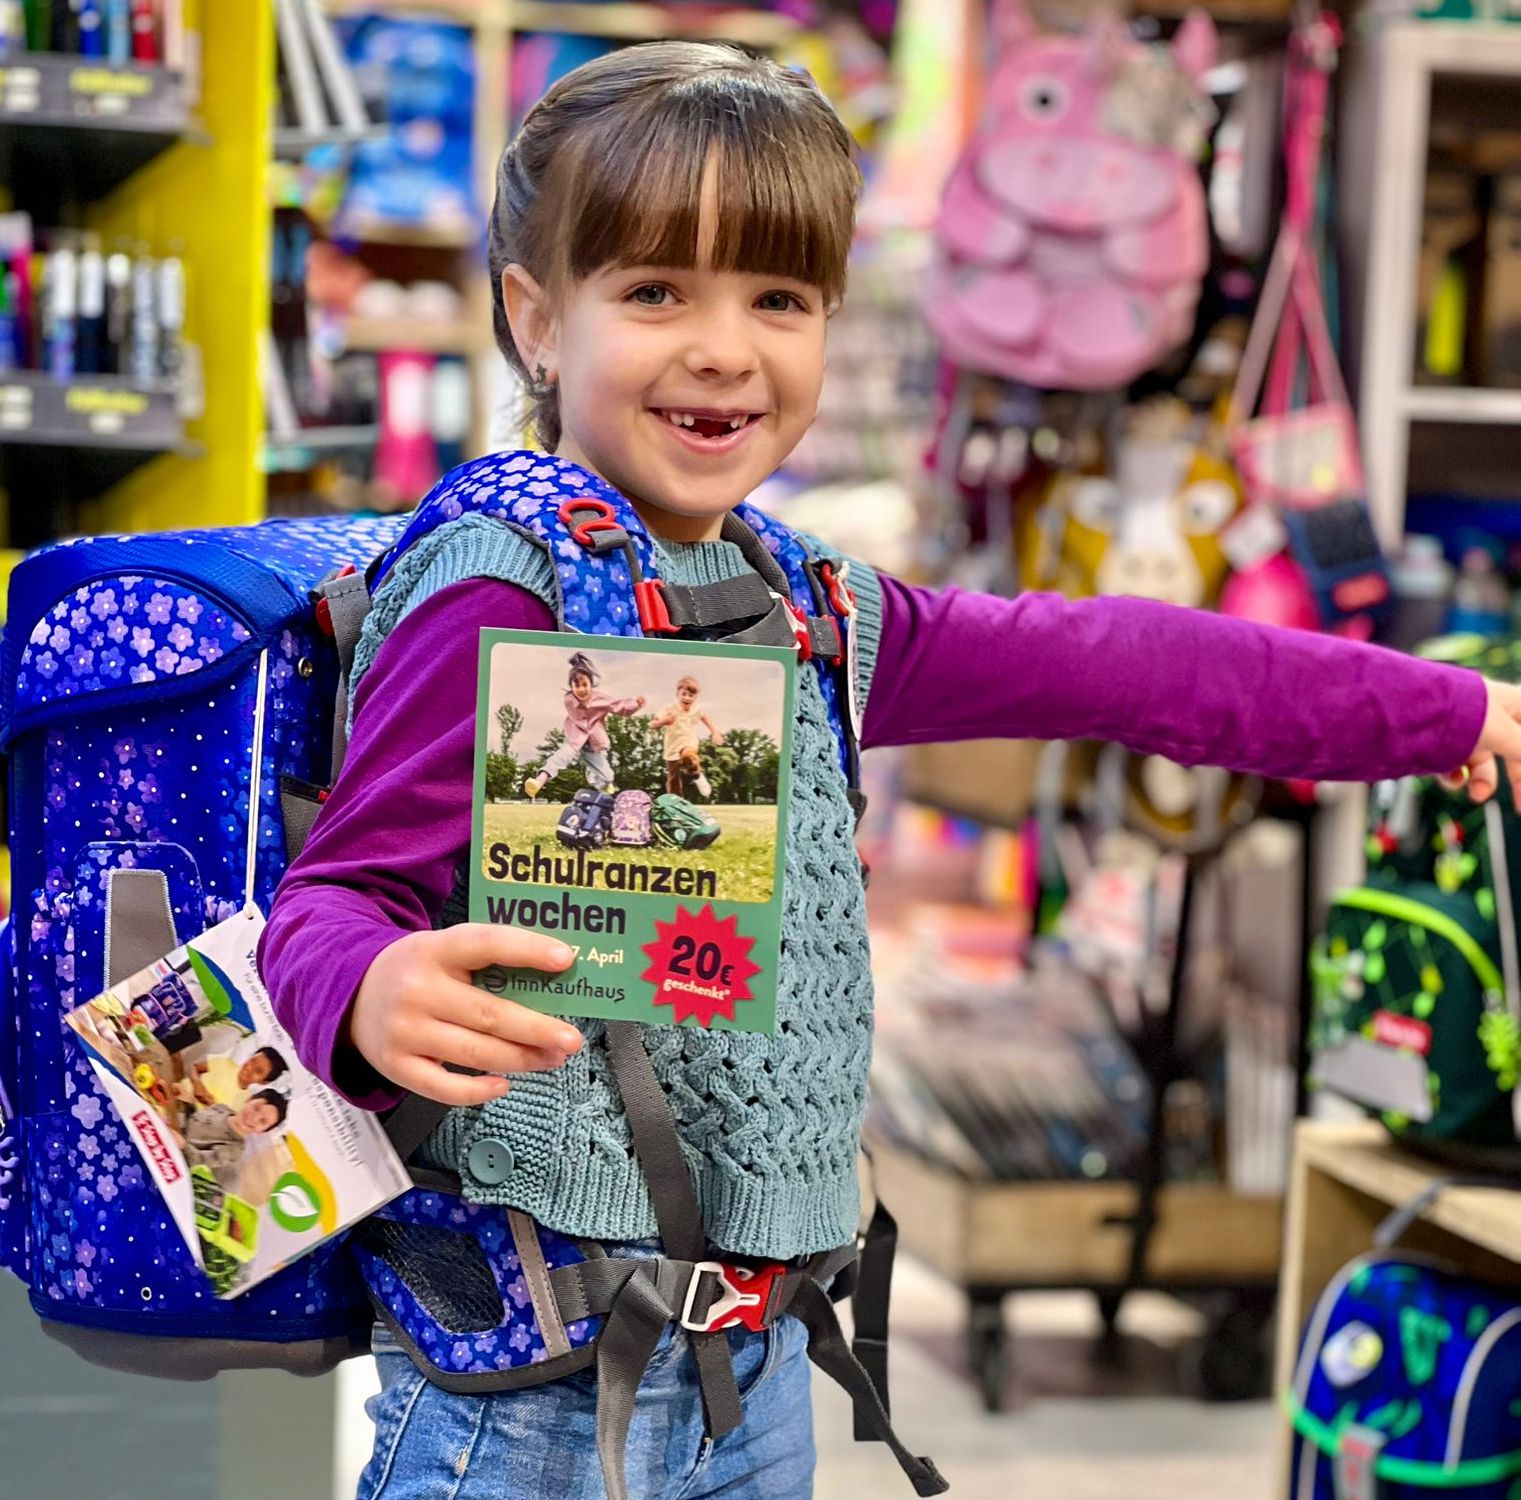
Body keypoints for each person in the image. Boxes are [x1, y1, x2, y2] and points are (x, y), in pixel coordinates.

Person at [258, 42, 1521, 1500]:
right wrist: (369, 985)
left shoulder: (801, 602)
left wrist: (1434, 711)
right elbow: (336, 896)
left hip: (752, 1372)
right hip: (526, 1402)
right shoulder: (501, 587)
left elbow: (1111, 661)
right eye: (656, 292)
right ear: (538, 318)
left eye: (778, 299)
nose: (724, 349)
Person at [522, 649, 645, 798]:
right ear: (571, 687)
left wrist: (635, 705)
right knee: (560, 758)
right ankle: (539, 781)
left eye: (585, 685)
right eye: (577, 685)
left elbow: (618, 706)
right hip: (575, 741)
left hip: (594, 746)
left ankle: (594, 777)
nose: (581, 690)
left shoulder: (600, 699)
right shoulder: (569, 700)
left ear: (591, 684)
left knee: (608, 777)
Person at [171, 1089, 288, 1190]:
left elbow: (195, 1161)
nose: (253, 1118)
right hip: (170, 1137)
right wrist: (188, 1103)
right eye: (256, 1108)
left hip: (174, 1165)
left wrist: (182, 1144)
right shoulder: (221, 1108)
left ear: (262, 1131)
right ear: (249, 1099)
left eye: (262, 1121)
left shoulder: (234, 1150)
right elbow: (194, 1122)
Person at [651, 674, 725, 798]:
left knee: (688, 756)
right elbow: (652, 724)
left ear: (696, 697)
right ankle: (676, 802)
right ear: (677, 694)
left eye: (691, 695)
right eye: (684, 694)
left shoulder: (696, 709)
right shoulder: (669, 709)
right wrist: (663, 722)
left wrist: (715, 732)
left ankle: (697, 775)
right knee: (673, 779)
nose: (687, 698)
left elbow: (705, 717)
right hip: (671, 747)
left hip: (689, 743)